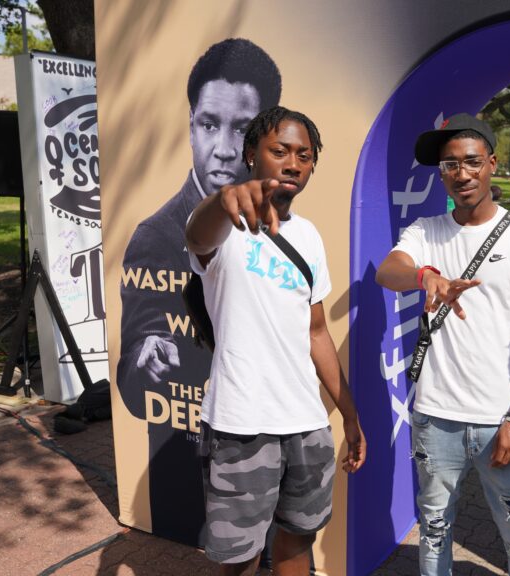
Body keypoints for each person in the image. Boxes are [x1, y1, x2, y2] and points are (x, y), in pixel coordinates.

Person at [375, 113, 510, 575]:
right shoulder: (427, 232)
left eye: (471, 162)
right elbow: (387, 271)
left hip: (501, 419)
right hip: (435, 419)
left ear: (491, 163)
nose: (461, 174)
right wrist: (426, 277)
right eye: (448, 166)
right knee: (435, 531)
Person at [185, 106, 365, 575]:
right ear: (251, 154)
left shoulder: (308, 236)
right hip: (242, 424)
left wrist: (349, 413)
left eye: (304, 155)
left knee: (296, 543)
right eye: (279, 151)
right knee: (240, 559)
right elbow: (195, 236)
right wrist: (224, 198)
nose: (292, 163)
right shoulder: (223, 228)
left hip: (306, 422)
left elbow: (317, 331)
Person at [115, 38, 281, 542]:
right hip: (186, 468)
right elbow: (133, 369)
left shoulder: (286, 229)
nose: (225, 148)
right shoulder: (156, 235)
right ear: (190, 126)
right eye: (210, 124)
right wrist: (147, 354)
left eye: (243, 129)